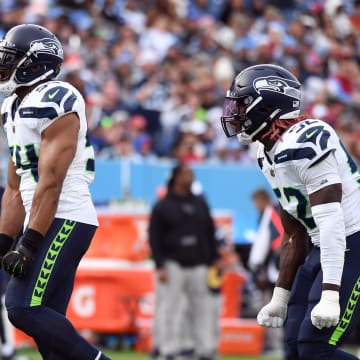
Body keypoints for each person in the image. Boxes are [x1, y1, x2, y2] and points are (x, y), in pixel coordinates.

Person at [220, 63, 360, 359]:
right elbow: (294, 231)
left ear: (268, 105)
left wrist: (331, 293)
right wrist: (280, 295)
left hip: (351, 241)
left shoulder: (307, 140)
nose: (235, 113)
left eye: (243, 105)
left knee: (315, 348)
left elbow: (333, 223)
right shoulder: (266, 151)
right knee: (293, 346)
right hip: (322, 245)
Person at [0, 24, 110, 359]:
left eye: (11, 57)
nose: (4, 63)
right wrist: (4, 243)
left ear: (34, 63)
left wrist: (29, 243)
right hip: (43, 216)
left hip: (65, 216)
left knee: (22, 308)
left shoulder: (57, 97)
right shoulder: (11, 107)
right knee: (52, 343)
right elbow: (15, 188)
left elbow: (51, 182)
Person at [149, 162, 220, 360]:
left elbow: (210, 232)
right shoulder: (162, 206)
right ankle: (168, 348)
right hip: (173, 264)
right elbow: (154, 238)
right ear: (176, 178)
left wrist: (215, 258)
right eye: (187, 174)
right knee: (169, 308)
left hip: (200, 263)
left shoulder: (200, 203)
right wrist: (159, 264)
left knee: (203, 308)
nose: (191, 178)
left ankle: (205, 349)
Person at [248, 188, 284, 356]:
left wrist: (255, 265)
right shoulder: (284, 208)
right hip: (294, 262)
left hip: (279, 266)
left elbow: (262, 242)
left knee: (275, 305)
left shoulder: (270, 212)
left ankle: (278, 344)